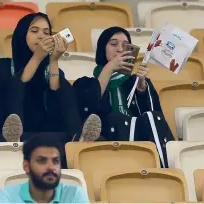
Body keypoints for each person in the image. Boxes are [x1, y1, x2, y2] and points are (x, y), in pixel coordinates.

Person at [0, 12, 101, 143]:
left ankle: (76, 138)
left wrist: (54, 60)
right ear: (22, 35)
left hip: (47, 135)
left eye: (46, 33)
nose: (41, 36)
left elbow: (57, 99)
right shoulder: (4, 65)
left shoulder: (50, 69)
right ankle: (15, 137)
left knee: (65, 88)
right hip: (6, 132)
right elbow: (3, 97)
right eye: (34, 31)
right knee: (14, 88)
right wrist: (37, 57)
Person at [73, 26, 174, 167]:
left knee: (152, 117)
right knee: (116, 118)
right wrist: (109, 68)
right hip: (107, 137)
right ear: (103, 49)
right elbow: (88, 112)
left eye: (126, 46)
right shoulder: (84, 84)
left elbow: (155, 118)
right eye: (113, 44)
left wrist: (142, 87)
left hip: (139, 138)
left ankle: (164, 168)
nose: (120, 49)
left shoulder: (136, 81)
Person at [0, 133, 89, 203]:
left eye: (55, 161)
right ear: (26, 166)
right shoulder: (9, 196)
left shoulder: (74, 195)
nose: (51, 167)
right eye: (42, 161)